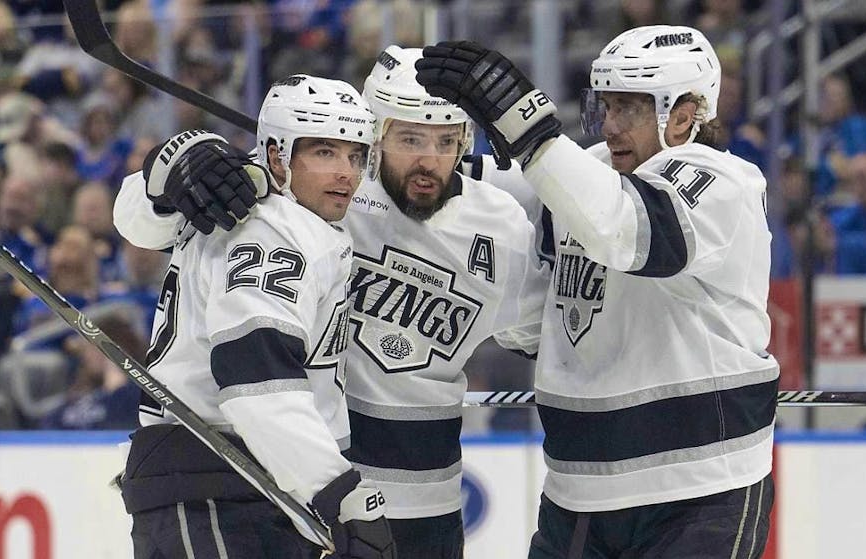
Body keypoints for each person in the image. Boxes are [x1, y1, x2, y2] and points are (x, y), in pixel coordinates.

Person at [113, 46, 549, 559]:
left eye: (446, 141)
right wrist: (175, 166)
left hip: (380, 493)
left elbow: (545, 332)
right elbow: (148, 218)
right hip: (279, 477)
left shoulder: (498, 223)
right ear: (378, 130)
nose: (430, 159)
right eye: (410, 137)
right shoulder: (275, 203)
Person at [414, 25, 777, 558]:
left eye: (628, 108)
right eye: (603, 107)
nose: (609, 126)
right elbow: (481, 184)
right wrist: (379, 150)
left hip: (699, 493)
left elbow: (625, 228)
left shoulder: (724, 181)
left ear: (684, 114)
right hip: (578, 492)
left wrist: (525, 123)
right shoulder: (594, 174)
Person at [118, 75, 395, 559]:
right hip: (220, 479)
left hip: (247, 482)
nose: (346, 173)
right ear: (275, 155)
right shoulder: (272, 229)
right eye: (324, 152)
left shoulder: (237, 200)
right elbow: (257, 381)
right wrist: (339, 494)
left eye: (355, 155)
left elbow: (140, 216)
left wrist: (174, 167)